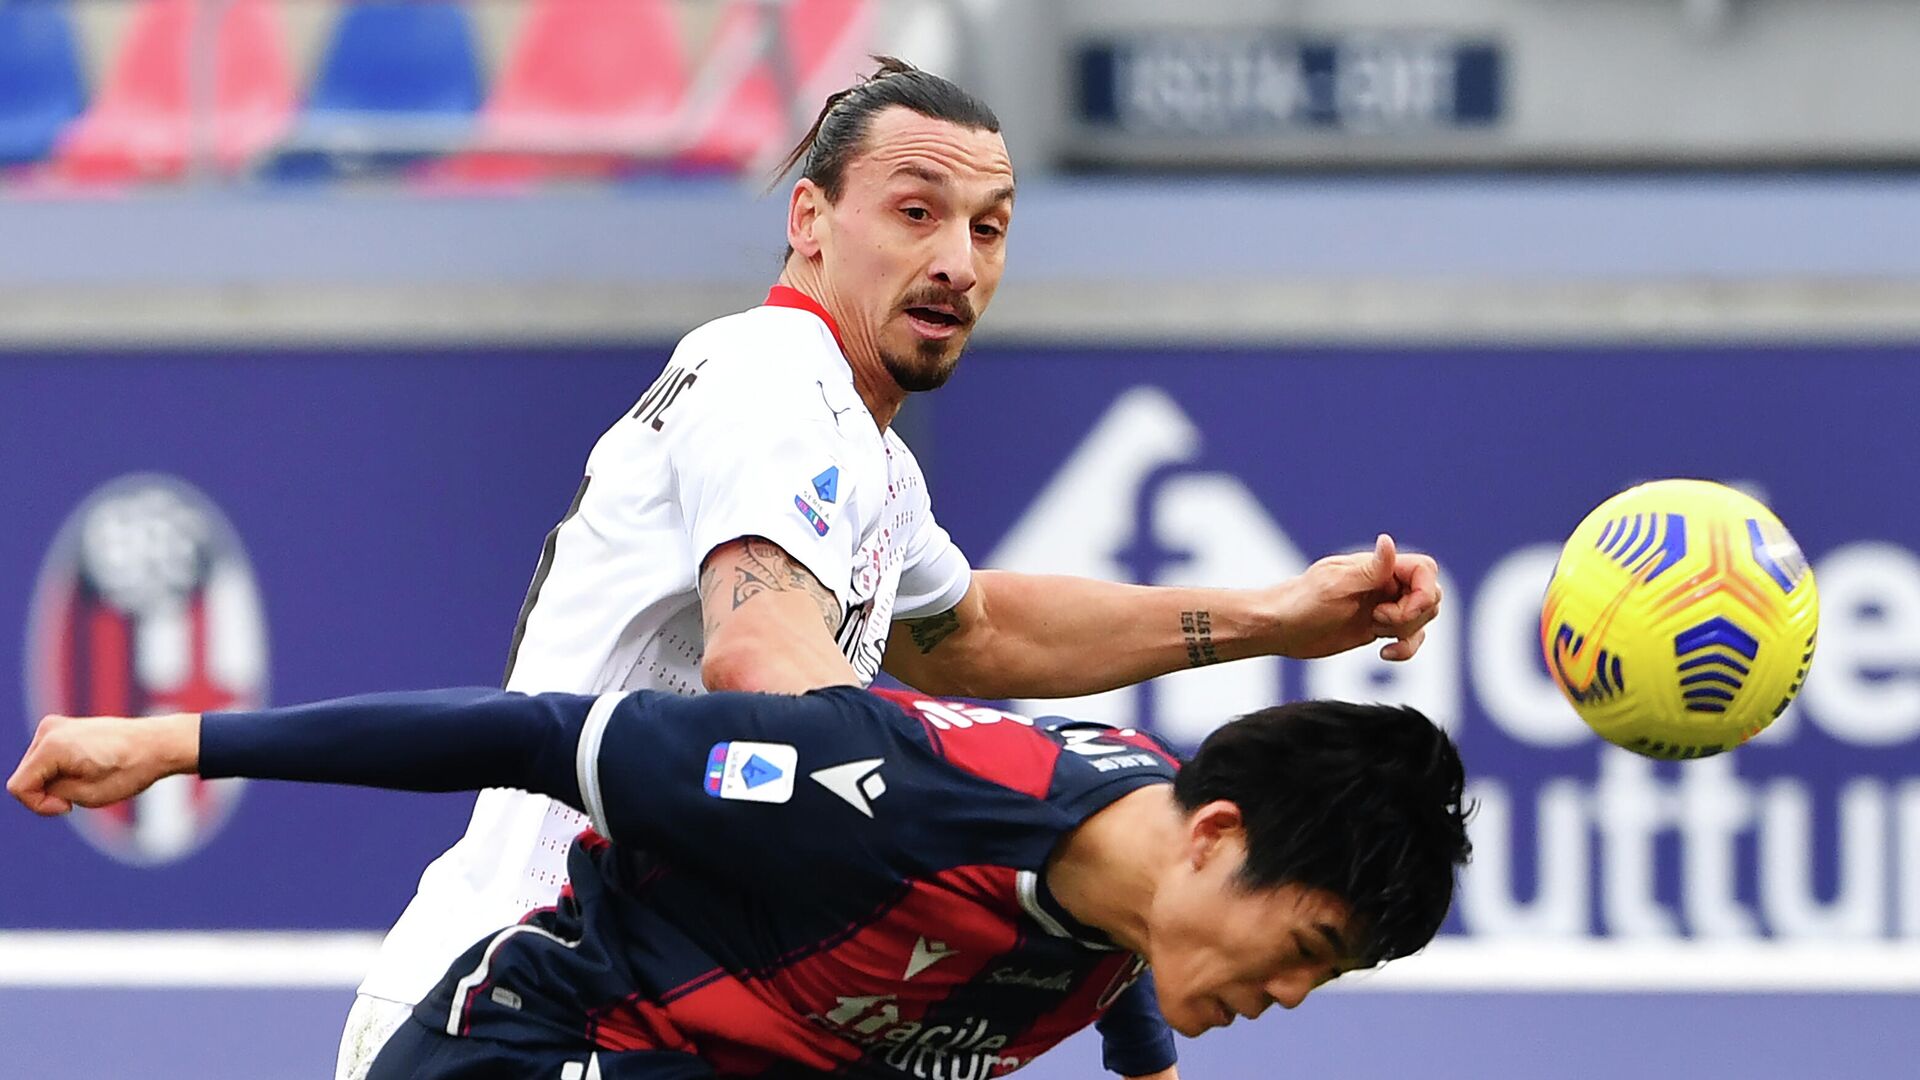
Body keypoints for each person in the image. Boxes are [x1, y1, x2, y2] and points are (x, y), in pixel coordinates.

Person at [355, 56, 1444, 1080]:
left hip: (625, 1003)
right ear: (811, 221)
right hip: (532, 993)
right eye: (916, 213)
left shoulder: (867, 455)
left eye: (989, 228)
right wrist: (979, 829)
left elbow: (973, 633)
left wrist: (1275, 617)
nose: (957, 263)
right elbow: (763, 652)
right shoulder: (775, 378)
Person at [8, 681, 1472, 1079]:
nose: (1289, 996)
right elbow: (531, 737)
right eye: (1308, 949)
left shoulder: (1140, 880)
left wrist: (1146, 1066)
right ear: (1216, 837)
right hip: (557, 1047)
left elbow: (1111, 965)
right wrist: (175, 742)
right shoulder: (877, 789)